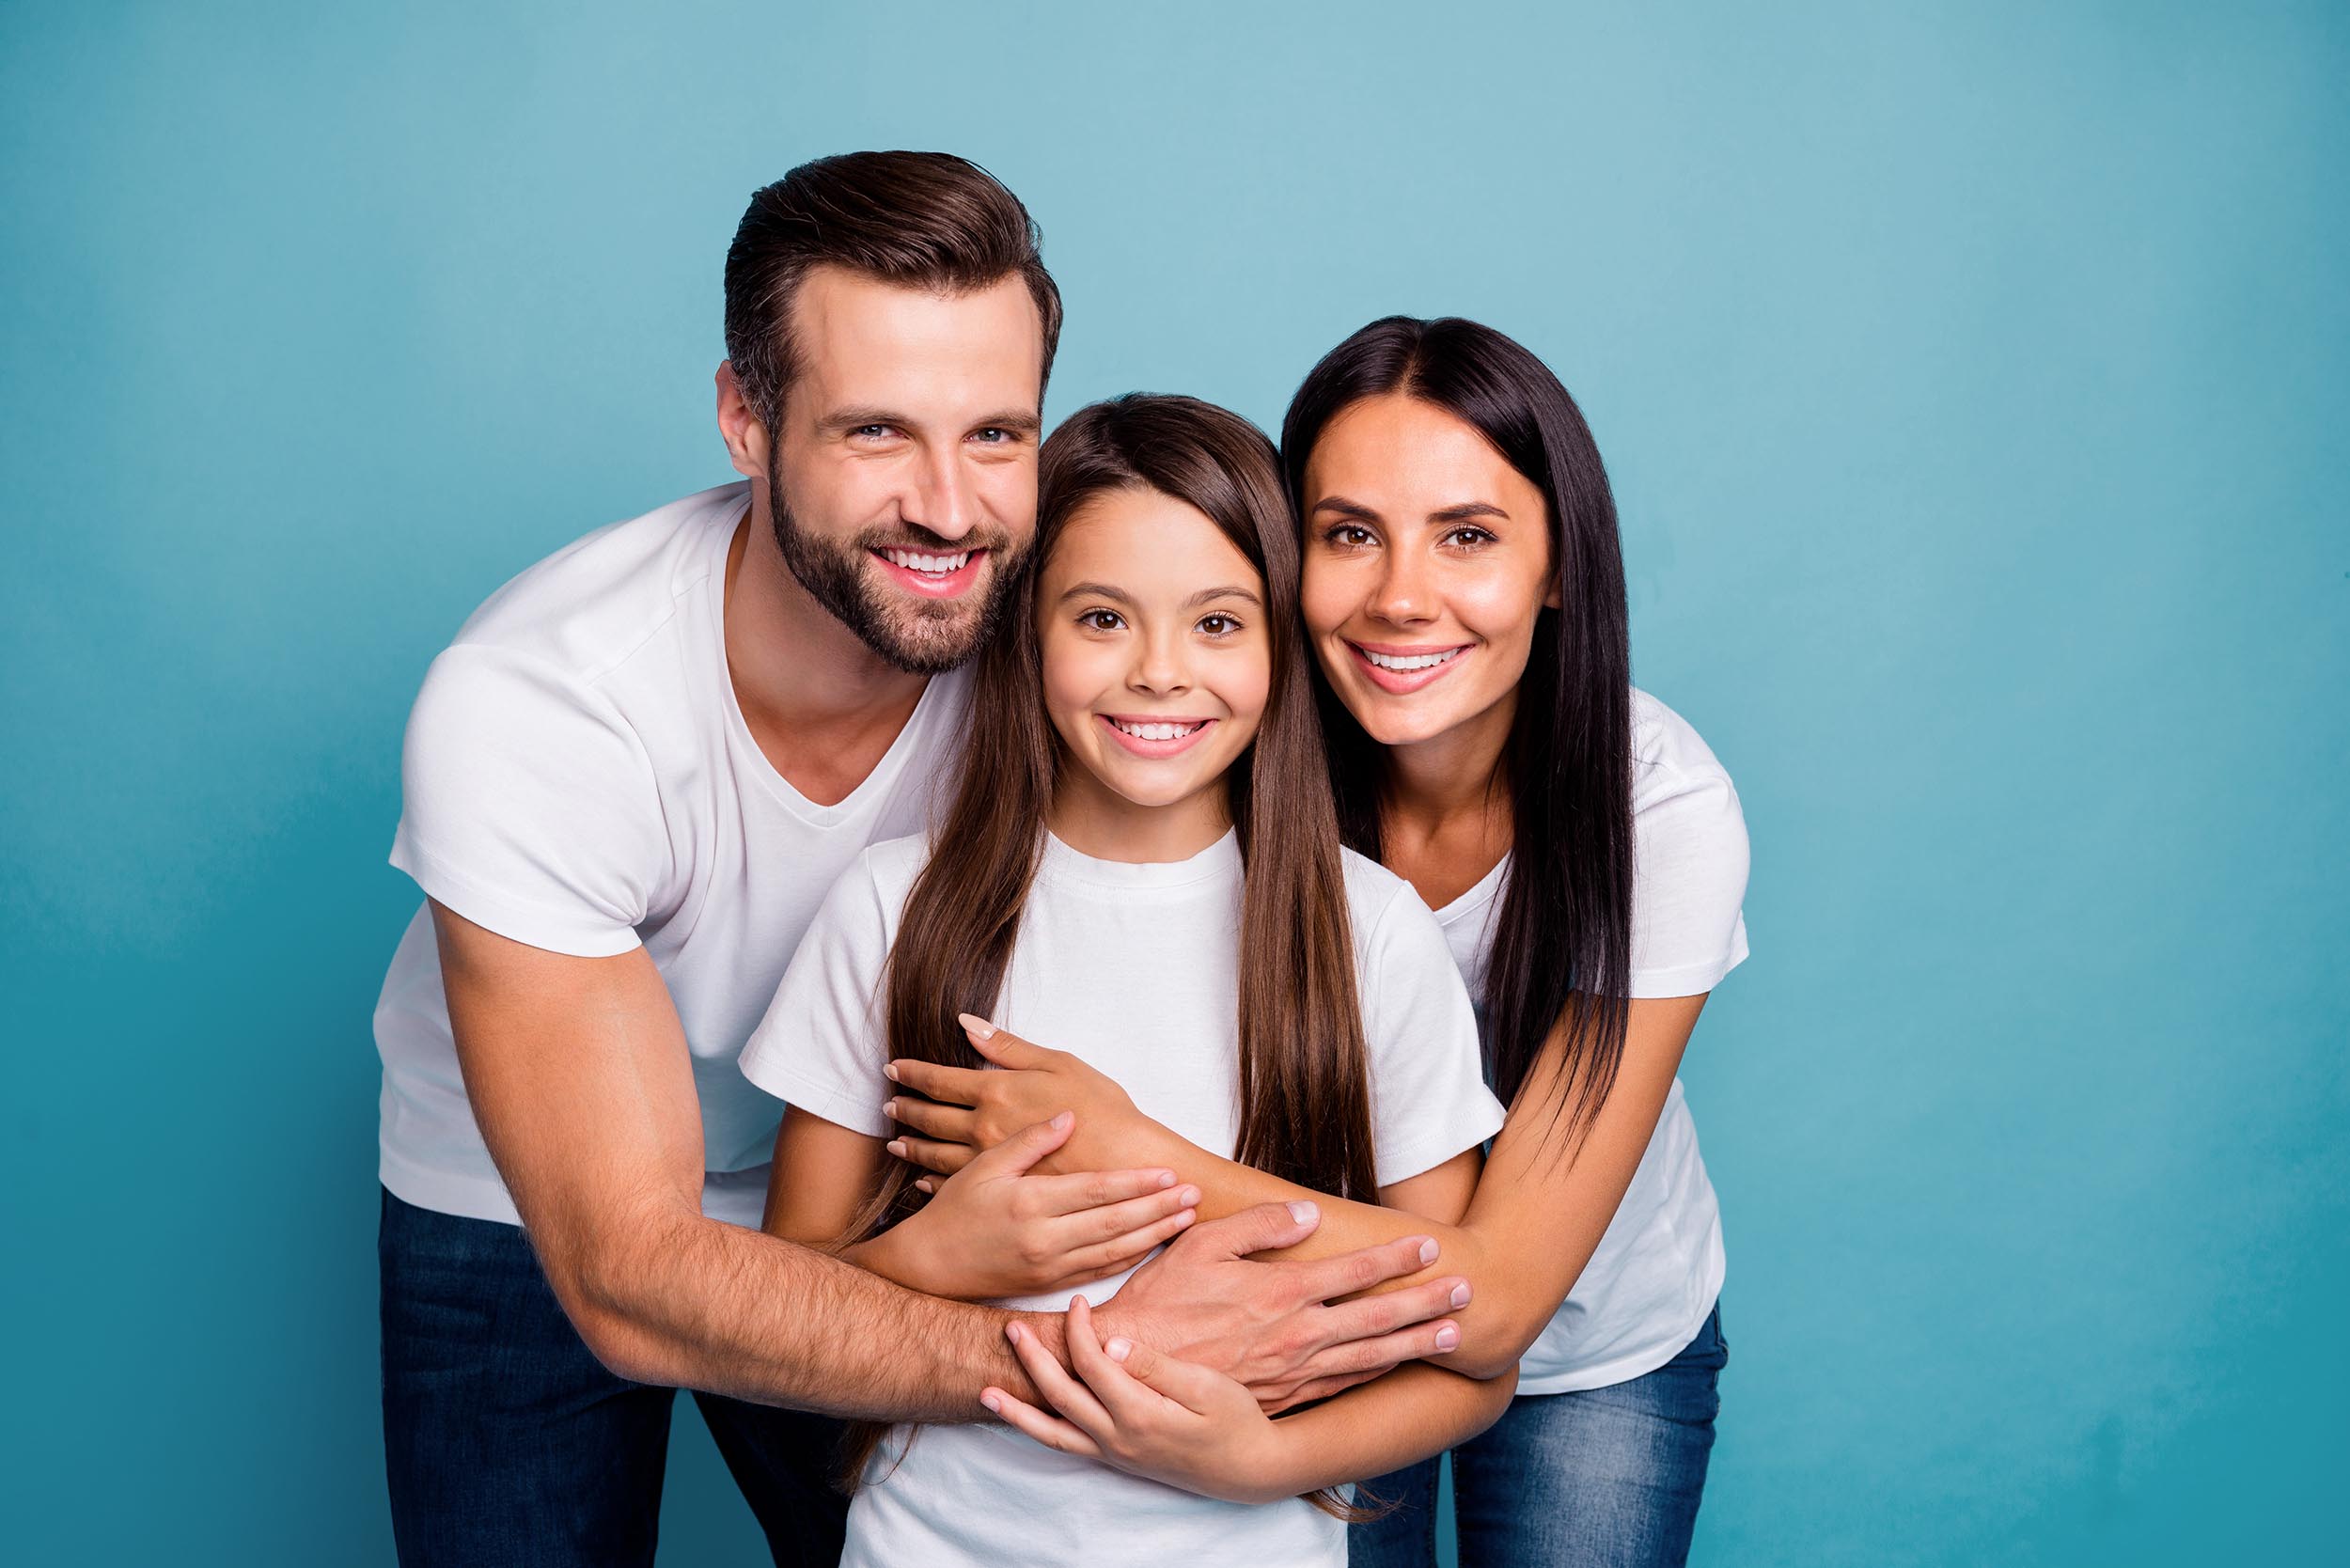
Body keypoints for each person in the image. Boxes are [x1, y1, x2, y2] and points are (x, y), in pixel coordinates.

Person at [370, 158, 1469, 1568]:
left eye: (995, 433)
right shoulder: (544, 705)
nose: (949, 509)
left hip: (896, 1207)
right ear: (746, 418)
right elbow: (631, 1280)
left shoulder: (1069, 637)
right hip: (554, 1211)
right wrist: (1116, 1354)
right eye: (877, 430)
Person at [883, 317, 1750, 1567]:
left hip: (1590, 1339)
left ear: (1559, 565)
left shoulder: (1653, 806)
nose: (1401, 595)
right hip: (1313, 1321)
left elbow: (1500, 1296)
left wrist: (1130, 1154)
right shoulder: (1231, 741)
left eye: (1467, 535)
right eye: (1349, 534)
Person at [740, 393, 1517, 1567]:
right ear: (1026, 631)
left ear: (1279, 645)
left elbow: (1467, 1361)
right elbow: (772, 1318)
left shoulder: (1367, 934)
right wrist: (928, 1259)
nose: (1159, 672)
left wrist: (1262, 1463)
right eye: (1103, 618)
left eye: (1218, 623)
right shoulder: (893, 910)